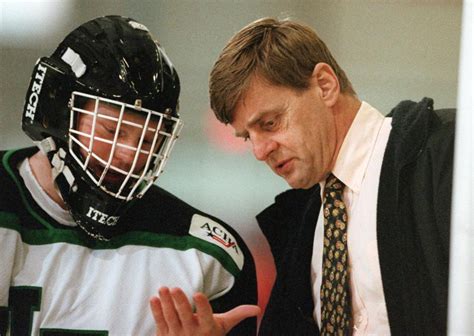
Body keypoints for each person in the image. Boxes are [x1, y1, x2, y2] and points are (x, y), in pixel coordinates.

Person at [154, 17, 455, 335]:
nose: (259, 151)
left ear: (325, 85)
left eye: (269, 123)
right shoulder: (299, 223)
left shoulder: (451, 151)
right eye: (247, 137)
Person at [0, 15, 258, 335]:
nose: (127, 155)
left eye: (148, 141)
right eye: (112, 130)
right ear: (57, 112)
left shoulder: (208, 255)